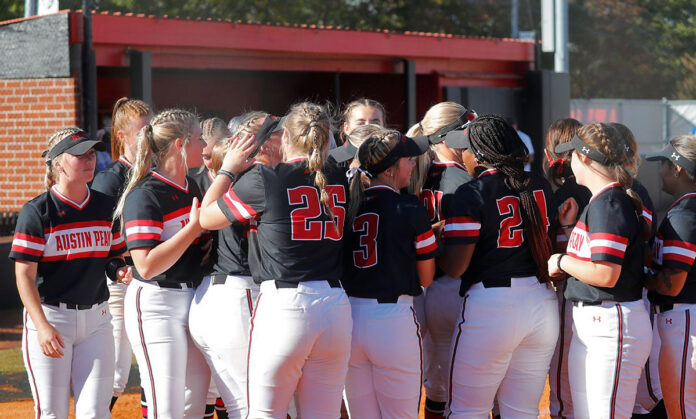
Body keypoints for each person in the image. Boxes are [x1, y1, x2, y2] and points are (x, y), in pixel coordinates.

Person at [199, 102, 352, 418]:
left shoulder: (265, 179)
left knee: (264, 413)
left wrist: (227, 169)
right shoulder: (339, 174)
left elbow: (206, 218)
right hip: (336, 305)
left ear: (286, 138)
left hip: (286, 305)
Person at [439, 114, 558, 418]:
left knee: (467, 411)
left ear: (479, 155)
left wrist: (430, 242)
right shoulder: (540, 184)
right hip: (541, 302)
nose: (460, 154)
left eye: (464, 148)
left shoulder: (471, 192)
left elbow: (455, 267)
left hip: (492, 307)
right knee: (521, 412)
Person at [10, 127, 130, 418]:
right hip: (53, 318)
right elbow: (24, 275)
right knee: (52, 413)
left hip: (98, 320)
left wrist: (120, 269)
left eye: (92, 153)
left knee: (96, 412)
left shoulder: (106, 206)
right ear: (59, 163)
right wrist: (41, 326)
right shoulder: (38, 211)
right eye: (80, 155)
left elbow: (113, 257)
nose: (90, 160)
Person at [548, 122, 652, 419]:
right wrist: (569, 230)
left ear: (585, 158)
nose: (568, 163)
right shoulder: (602, 200)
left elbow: (606, 274)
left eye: (571, 156)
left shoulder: (610, 201)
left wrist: (560, 262)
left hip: (611, 324)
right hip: (597, 323)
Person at [115, 109, 210, 419]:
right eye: (199, 139)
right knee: (164, 407)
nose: (205, 144)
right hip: (157, 302)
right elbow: (145, 266)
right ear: (180, 144)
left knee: (194, 405)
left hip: (193, 300)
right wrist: (193, 229)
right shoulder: (145, 193)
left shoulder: (192, 187)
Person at [190, 112, 283, 418]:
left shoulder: (237, 176)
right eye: (278, 133)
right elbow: (205, 217)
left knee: (237, 406)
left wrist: (227, 169)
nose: (285, 137)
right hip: (237, 296)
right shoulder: (256, 178)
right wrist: (229, 169)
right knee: (254, 404)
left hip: (212, 298)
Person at [341, 129, 439, 418]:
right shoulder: (409, 206)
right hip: (392, 321)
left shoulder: (349, 205)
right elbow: (426, 279)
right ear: (390, 169)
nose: (413, 165)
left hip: (349, 319)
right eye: (408, 160)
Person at [405, 102, 477, 419]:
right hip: (454, 289)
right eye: (466, 131)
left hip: (417, 291)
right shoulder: (463, 181)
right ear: (447, 138)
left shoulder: (411, 176)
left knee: (430, 384)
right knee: (461, 386)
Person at [91, 96, 152, 412]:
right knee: (115, 372)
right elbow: (98, 236)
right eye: (141, 131)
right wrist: (115, 268)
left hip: (154, 278)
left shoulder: (158, 172)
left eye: (150, 130)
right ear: (121, 136)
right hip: (120, 280)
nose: (148, 137)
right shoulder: (109, 178)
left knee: (151, 364)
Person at [611, 122, 666, 418]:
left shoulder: (633, 189)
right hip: (634, 297)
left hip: (638, 296)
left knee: (648, 393)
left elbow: (641, 242)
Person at [645, 135, 696, 418]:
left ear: (677, 168)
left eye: (663, 163)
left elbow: (672, 283)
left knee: (683, 412)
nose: (660, 170)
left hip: (686, 322)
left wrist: (641, 278)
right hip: (688, 319)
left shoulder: (685, 213)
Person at [542, 117, 589, 419]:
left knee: (563, 394)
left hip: (568, 295)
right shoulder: (605, 189)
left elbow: (555, 260)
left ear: (550, 155)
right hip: (615, 303)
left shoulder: (559, 197)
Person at [330, 98, 386, 166]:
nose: (368, 127)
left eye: (375, 123)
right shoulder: (331, 160)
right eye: (360, 124)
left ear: (384, 127)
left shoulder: (395, 157)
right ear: (347, 128)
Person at [189, 117, 231, 195]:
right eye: (207, 157)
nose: (214, 162)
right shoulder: (195, 186)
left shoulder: (250, 177)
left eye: (219, 154)